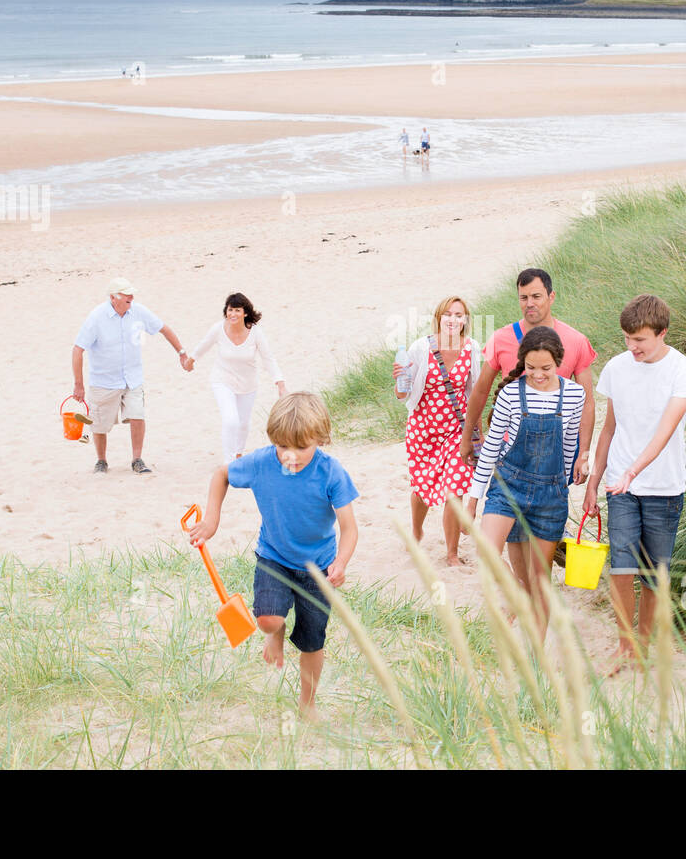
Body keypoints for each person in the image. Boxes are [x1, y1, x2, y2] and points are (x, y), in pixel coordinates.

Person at [187, 392, 359, 719]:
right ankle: (274, 634)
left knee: (312, 643)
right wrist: (211, 520)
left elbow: (349, 528)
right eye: (282, 447)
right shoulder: (263, 462)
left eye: (302, 448)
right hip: (274, 557)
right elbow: (221, 474)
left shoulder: (331, 472)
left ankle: (307, 705)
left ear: (321, 440)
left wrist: (341, 562)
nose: (290, 456)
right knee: (268, 619)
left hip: (318, 569)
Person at [584, 295, 686, 675]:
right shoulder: (617, 368)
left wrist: (636, 469)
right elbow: (609, 428)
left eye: (640, 341)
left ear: (662, 333)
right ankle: (623, 645)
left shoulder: (684, 370)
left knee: (653, 573)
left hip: (664, 486)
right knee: (621, 566)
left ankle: (643, 646)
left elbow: (666, 431)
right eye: (627, 339)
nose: (632, 347)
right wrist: (594, 482)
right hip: (621, 485)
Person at [465, 327, 585, 638]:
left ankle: (536, 659)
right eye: (530, 368)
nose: (537, 375)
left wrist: (567, 482)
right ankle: (516, 595)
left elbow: (570, 444)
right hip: (509, 485)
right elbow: (491, 446)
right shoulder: (510, 393)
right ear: (523, 362)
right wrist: (474, 498)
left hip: (550, 494)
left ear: (558, 361)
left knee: (540, 582)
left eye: (545, 368)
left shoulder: (574, 395)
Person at [459, 267, 596, 486]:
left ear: (551, 297)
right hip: (509, 450)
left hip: (556, 454)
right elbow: (481, 391)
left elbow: (587, 403)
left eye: (536, 296)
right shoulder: (500, 338)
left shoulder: (576, 341)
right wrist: (468, 438)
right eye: (523, 297)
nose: (529, 303)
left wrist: (584, 453)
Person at [393, 296, 483, 565]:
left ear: (465, 320)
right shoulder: (420, 348)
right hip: (423, 429)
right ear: (439, 318)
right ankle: (417, 530)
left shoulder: (472, 348)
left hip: (457, 429)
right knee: (421, 487)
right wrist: (399, 376)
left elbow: (476, 391)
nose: (453, 320)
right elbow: (402, 393)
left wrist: (478, 433)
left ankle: (452, 553)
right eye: (448, 314)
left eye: (459, 315)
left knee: (454, 489)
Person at [72, 277, 189, 474]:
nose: (131, 297)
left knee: (137, 416)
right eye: (127, 294)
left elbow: (164, 329)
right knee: (99, 424)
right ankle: (101, 460)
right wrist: (79, 385)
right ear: (113, 297)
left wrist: (181, 352)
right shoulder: (96, 317)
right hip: (104, 380)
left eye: (131, 294)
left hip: (132, 377)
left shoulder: (138, 311)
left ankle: (137, 459)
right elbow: (77, 350)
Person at [185, 292, 287, 460]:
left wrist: (280, 383)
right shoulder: (219, 328)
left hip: (248, 384)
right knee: (231, 420)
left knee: (243, 424)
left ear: (245, 312)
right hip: (222, 380)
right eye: (230, 310)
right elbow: (204, 344)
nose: (232, 314)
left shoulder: (255, 332)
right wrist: (191, 360)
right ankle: (229, 461)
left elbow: (268, 359)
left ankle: (238, 455)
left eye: (237, 310)